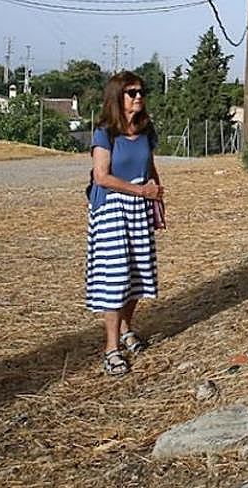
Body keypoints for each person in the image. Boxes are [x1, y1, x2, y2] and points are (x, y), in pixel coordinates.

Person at [85, 70, 164, 377]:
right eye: (132, 92)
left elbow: (150, 166)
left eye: (141, 91)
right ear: (118, 97)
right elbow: (101, 176)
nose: (139, 96)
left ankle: (127, 329)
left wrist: (156, 194)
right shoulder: (105, 133)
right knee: (115, 279)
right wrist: (140, 190)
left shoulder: (145, 130)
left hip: (140, 209)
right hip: (112, 209)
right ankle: (111, 348)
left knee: (138, 275)